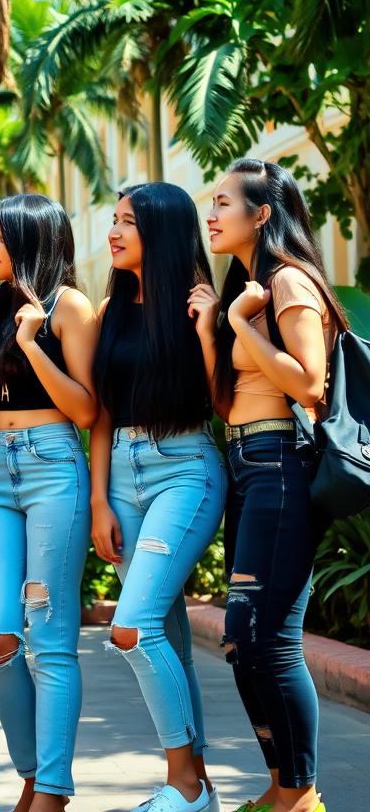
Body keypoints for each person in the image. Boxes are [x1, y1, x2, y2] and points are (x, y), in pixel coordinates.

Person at [191, 158, 344, 812]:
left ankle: (300, 794)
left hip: (282, 463)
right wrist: (212, 329)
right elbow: (228, 405)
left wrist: (239, 326)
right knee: (242, 641)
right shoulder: (249, 292)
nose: (212, 213)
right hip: (247, 465)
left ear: (261, 214)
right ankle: (284, 786)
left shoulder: (287, 283)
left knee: (266, 641)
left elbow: (309, 384)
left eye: (224, 202)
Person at [91, 184, 227, 812]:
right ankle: (196, 788)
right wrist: (99, 501)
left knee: (133, 629)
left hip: (186, 467)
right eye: (114, 221)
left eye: (127, 223)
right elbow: (100, 414)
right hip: (122, 475)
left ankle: (185, 783)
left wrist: (206, 332)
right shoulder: (111, 310)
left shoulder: (204, 306)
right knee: (163, 637)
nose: (114, 233)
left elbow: (222, 404)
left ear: (163, 232)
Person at [0, 194, 98, 812]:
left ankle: (49, 790)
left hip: (53, 466)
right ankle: (32, 771)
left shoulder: (69, 306)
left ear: (30, 241)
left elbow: (85, 409)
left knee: (49, 638)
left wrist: (33, 340)